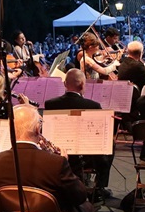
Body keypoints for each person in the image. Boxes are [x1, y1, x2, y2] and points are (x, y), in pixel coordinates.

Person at [0, 104, 105, 212]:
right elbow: (79, 196)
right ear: (37, 129)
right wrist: (65, 163)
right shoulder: (55, 163)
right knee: (87, 207)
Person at [44, 69, 112, 199]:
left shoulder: (50, 104)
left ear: (65, 84)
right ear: (81, 85)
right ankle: (99, 188)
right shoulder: (93, 106)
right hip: (85, 157)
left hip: (58, 153)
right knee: (109, 145)